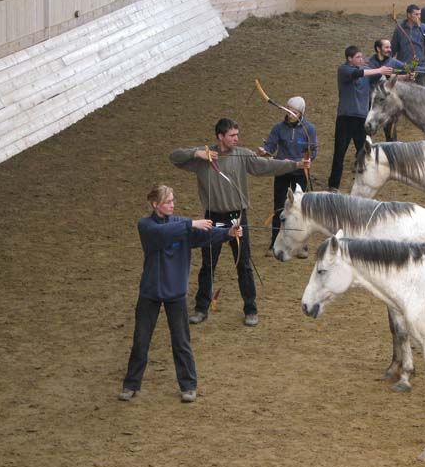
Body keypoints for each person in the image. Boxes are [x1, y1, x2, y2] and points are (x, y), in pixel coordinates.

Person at [170, 118, 310, 327]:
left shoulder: (242, 155)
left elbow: (267, 166)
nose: (237, 139)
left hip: (237, 217)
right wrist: (196, 153)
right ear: (220, 136)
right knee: (209, 264)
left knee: (243, 264)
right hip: (214, 218)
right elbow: (174, 157)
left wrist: (296, 164)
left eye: (237, 135)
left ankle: (250, 308)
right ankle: (201, 308)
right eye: (232, 135)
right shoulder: (204, 156)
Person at [118, 184, 242, 403]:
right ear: (155, 204)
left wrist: (228, 234)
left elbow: (204, 236)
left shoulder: (180, 224)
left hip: (175, 293)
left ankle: (188, 385)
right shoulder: (146, 226)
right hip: (150, 292)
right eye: (168, 202)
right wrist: (192, 223)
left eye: (173, 201)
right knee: (141, 340)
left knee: (181, 341)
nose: (172, 205)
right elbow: (163, 233)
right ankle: (131, 384)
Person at [327, 46, 393, 191]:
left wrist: (406, 76)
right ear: (349, 58)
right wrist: (379, 70)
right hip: (345, 118)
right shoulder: (343, 70)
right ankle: (333, 185)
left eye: (362, 57)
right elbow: (359, 73)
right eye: (358, 57)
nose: (361, 59)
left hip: (361, 120)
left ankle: (367, 181)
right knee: (339, 153)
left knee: (365, 152)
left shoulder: (368, 74)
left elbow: (386, 78)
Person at [258, 96, 318, 251]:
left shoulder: (309, 129)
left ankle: (302, 243)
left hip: (300, 173)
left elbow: (313, 150)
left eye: (294, 112)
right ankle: (275, 240)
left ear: (301, 113)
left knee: (300, 208)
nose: (290, 113)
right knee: (279, 206)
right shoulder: (278, 128)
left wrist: (308, 158)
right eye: (288, 110)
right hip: (282, 170)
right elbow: (270, 146)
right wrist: (264, 151)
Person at [367, 39, 413, 141]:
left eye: (390, 47)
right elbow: (372, 77)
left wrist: (418, 66)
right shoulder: (370, 63)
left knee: (391, 135)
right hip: (372, 103)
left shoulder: (392, 61)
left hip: (387, 103)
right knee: (368, 131)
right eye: (386, 47)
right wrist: (385, 73)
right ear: (378, 49)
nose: (389, 50)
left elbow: (409, 68)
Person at [390, 4, 425, 86]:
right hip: (404, 67)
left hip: (419, 67)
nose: (419, 17)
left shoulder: (423, 28)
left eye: (419, 14)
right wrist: (386, 61)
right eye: (416, 14)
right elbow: (393, 48)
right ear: (409, 15)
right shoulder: (399, 29)